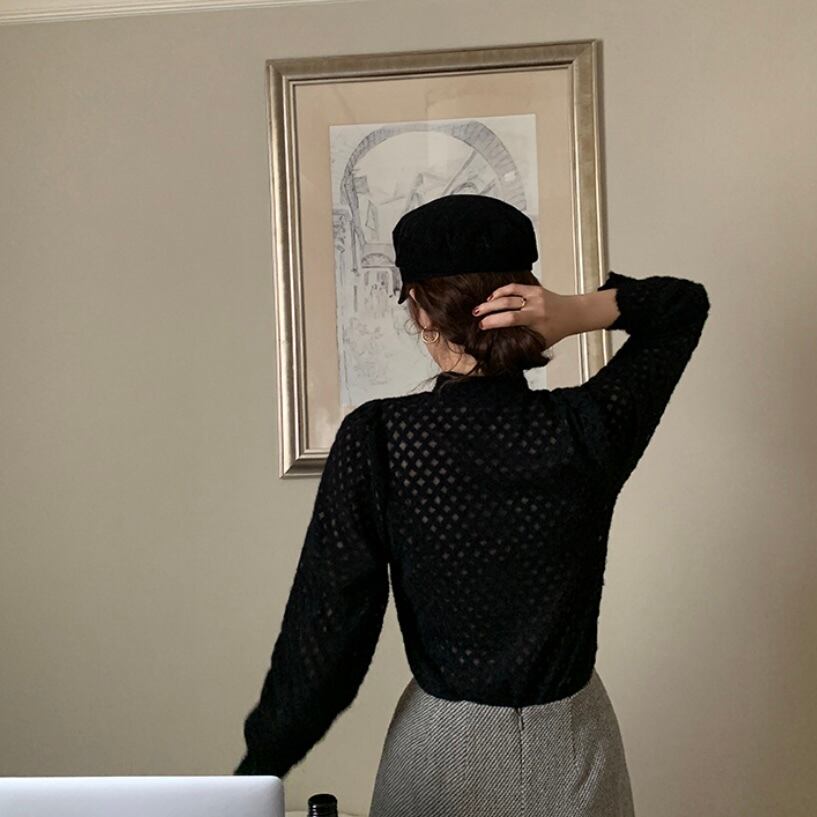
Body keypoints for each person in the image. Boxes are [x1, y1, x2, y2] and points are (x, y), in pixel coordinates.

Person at [234, 194, 711, 817]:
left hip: (441, 753)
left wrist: (255, 772)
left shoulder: (380, 438)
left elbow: (328, 631)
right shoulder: (588, 426)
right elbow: (682, 306)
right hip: (574, 749)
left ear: (420, 308)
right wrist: (575, 311)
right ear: (525, 298)